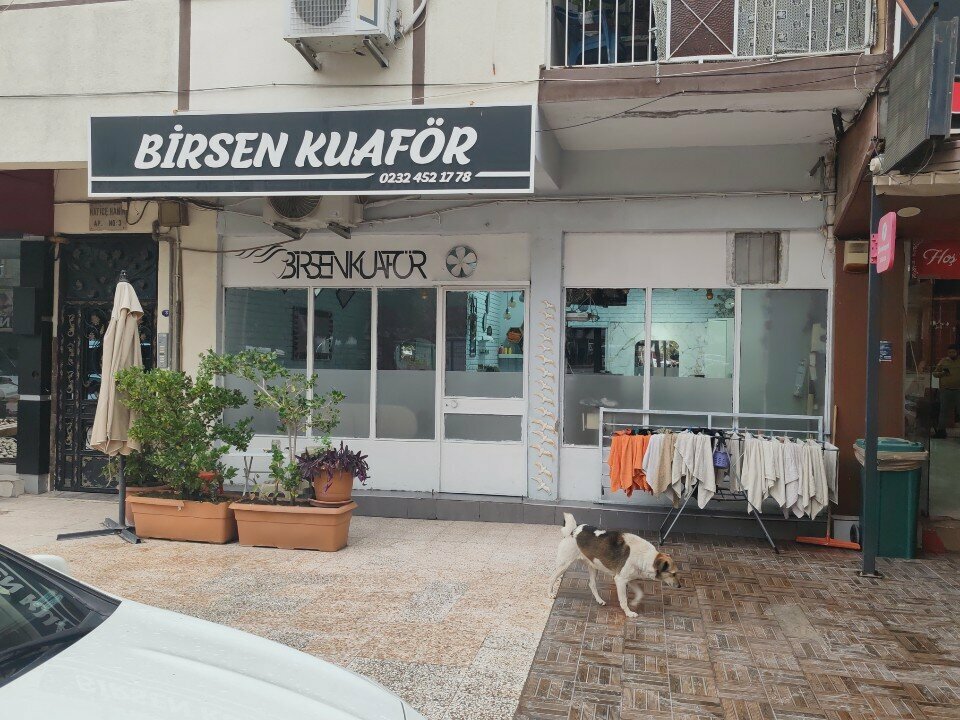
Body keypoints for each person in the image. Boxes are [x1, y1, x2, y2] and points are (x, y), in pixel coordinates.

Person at [933, 344, 960, 437]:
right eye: (949, 352)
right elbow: (935, 374)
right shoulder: (943, 361)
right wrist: (942, 373)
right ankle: (941, 432)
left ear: (957, 352)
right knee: (944, 411)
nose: (951, 354)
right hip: (945, 390)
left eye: (953, 352)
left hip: (958, 390)